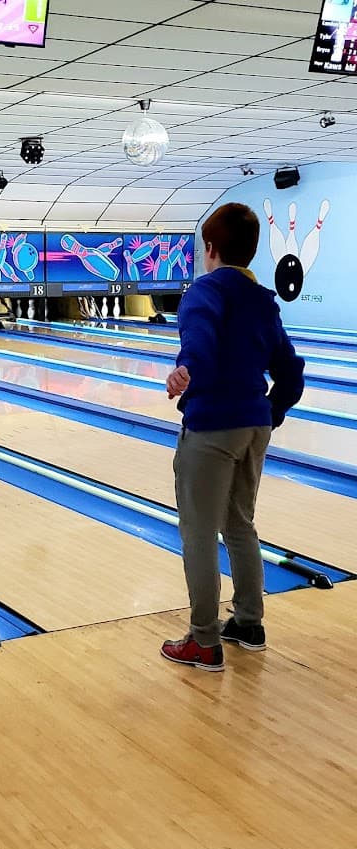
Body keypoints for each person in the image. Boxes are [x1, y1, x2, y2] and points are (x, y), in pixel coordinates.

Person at [161, 202, 305, 672]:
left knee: (198, 533)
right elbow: (291, 372)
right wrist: (272, 409)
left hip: (212, 425)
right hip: (254, 425)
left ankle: (203, 641)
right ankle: (248, 622)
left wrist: (186, 372)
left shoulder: (204, 291)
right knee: (240, 523)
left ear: (210, 248)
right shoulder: (264, 299)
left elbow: (198, 343)